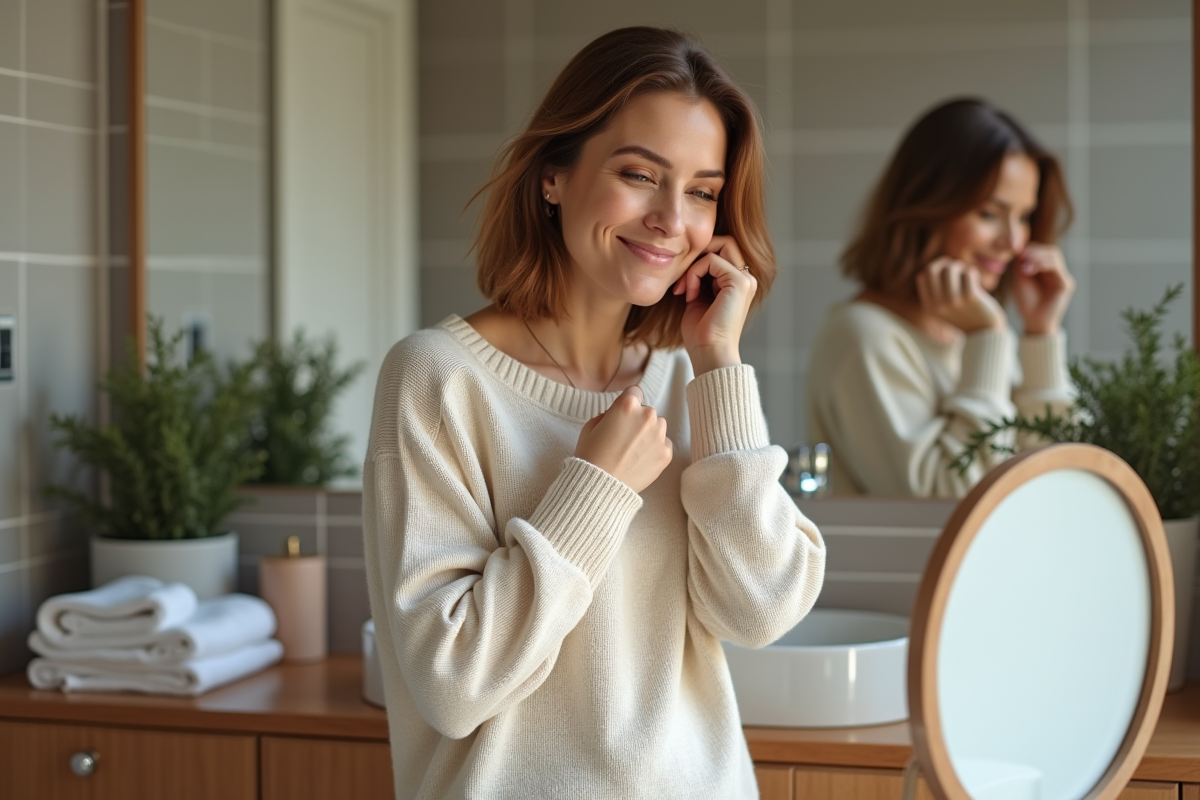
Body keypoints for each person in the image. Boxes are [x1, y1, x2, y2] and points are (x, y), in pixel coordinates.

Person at [361, 26, 825, 800]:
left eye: (703, 192)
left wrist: (719, 362)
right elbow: (452, 685)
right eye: (640, 174)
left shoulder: (691, 381)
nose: (671, 218)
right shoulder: (438, 379)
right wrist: (595, 486)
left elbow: (762, 612)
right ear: (554, 176)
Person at [805, 97, 1077, 499]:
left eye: (1023, 217)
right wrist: (987, 338)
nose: (1013, 241)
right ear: (928, 206)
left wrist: (1041, 334)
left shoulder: (976, 330)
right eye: (989, 214)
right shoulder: (862, 337)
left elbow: (1059, 480)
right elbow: (950, 503)